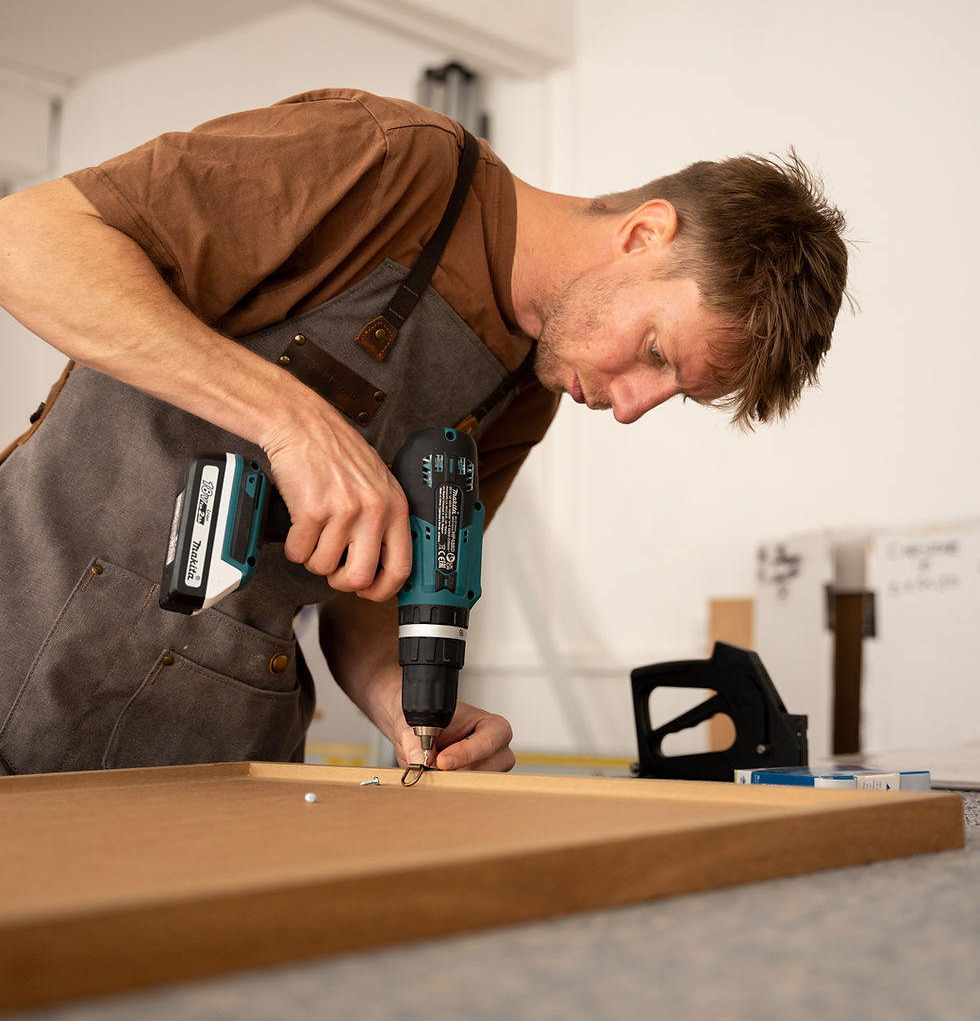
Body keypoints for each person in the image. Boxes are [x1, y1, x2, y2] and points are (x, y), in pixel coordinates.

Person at [0, 87, 848, 777]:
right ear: (643, 234)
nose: (630, 407)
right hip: (21, 663)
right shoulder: (389, 161)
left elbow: (374, 590)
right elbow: (26, 240)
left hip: (216, 757)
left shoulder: (529, 388)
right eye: (657, 353)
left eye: (673, 394)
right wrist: (293, 421)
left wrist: (406, 706)